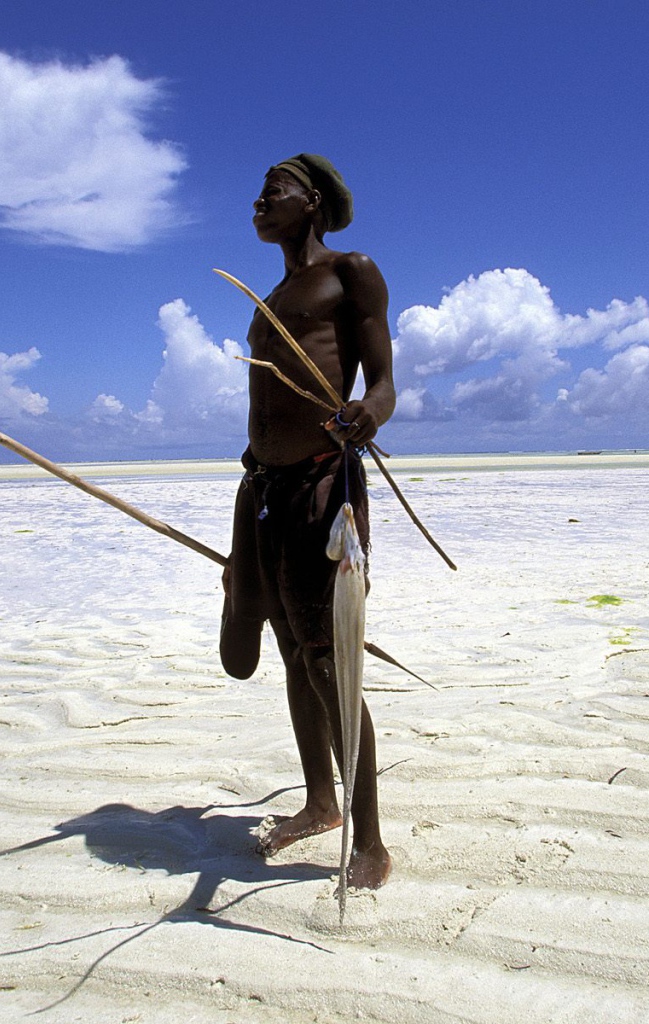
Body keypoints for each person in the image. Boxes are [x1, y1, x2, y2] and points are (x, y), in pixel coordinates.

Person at [220, 154, 394, 890]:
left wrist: (367, 414)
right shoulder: (271, 297)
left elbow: (383, 385)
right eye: (258, 192)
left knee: (329, 658)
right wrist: (256, 452)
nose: (260, 201)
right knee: (291, 651)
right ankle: (320, 801)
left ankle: (372, 843)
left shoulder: (350, 271)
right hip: (267, 491)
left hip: (327, 485)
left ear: (312, 201)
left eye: (275, 191)